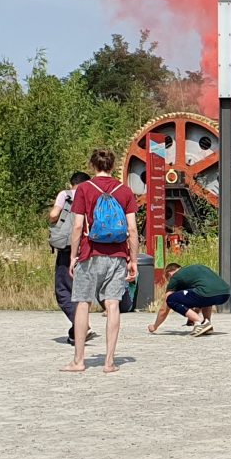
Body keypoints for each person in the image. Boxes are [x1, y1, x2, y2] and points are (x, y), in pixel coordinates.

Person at [61, 149, 138, 373]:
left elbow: (77, 226)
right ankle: (110, 362)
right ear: (113, 166)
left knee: (83, 303)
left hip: (90, 253)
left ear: (92, 166)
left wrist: (74, 256)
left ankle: (79, 360)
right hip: (117, 256)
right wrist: (132, 259)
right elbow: (132, 229)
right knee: (112, 304)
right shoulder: (124, 191)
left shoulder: (84, 189)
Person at [49, 171, 97, 345]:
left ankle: (82, 326)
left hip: (69, 247)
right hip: (90, 247)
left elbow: (54, 214)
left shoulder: (66, 194)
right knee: (81, 292)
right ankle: (76, 333)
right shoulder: (94, 195)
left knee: (63, 291)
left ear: (72, 184)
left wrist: (52, 218)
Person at [147, 263, 229, 336]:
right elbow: (198, 300)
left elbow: (164, 309)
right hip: (225, 294)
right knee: (204, 297)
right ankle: (207, 323)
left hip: (205, 293)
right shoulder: (193, 271)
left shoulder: (175, 277)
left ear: (170, 274)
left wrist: (154, 326)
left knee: (171, 299)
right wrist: (191, 317)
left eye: (168, 279)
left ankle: (200, 322)